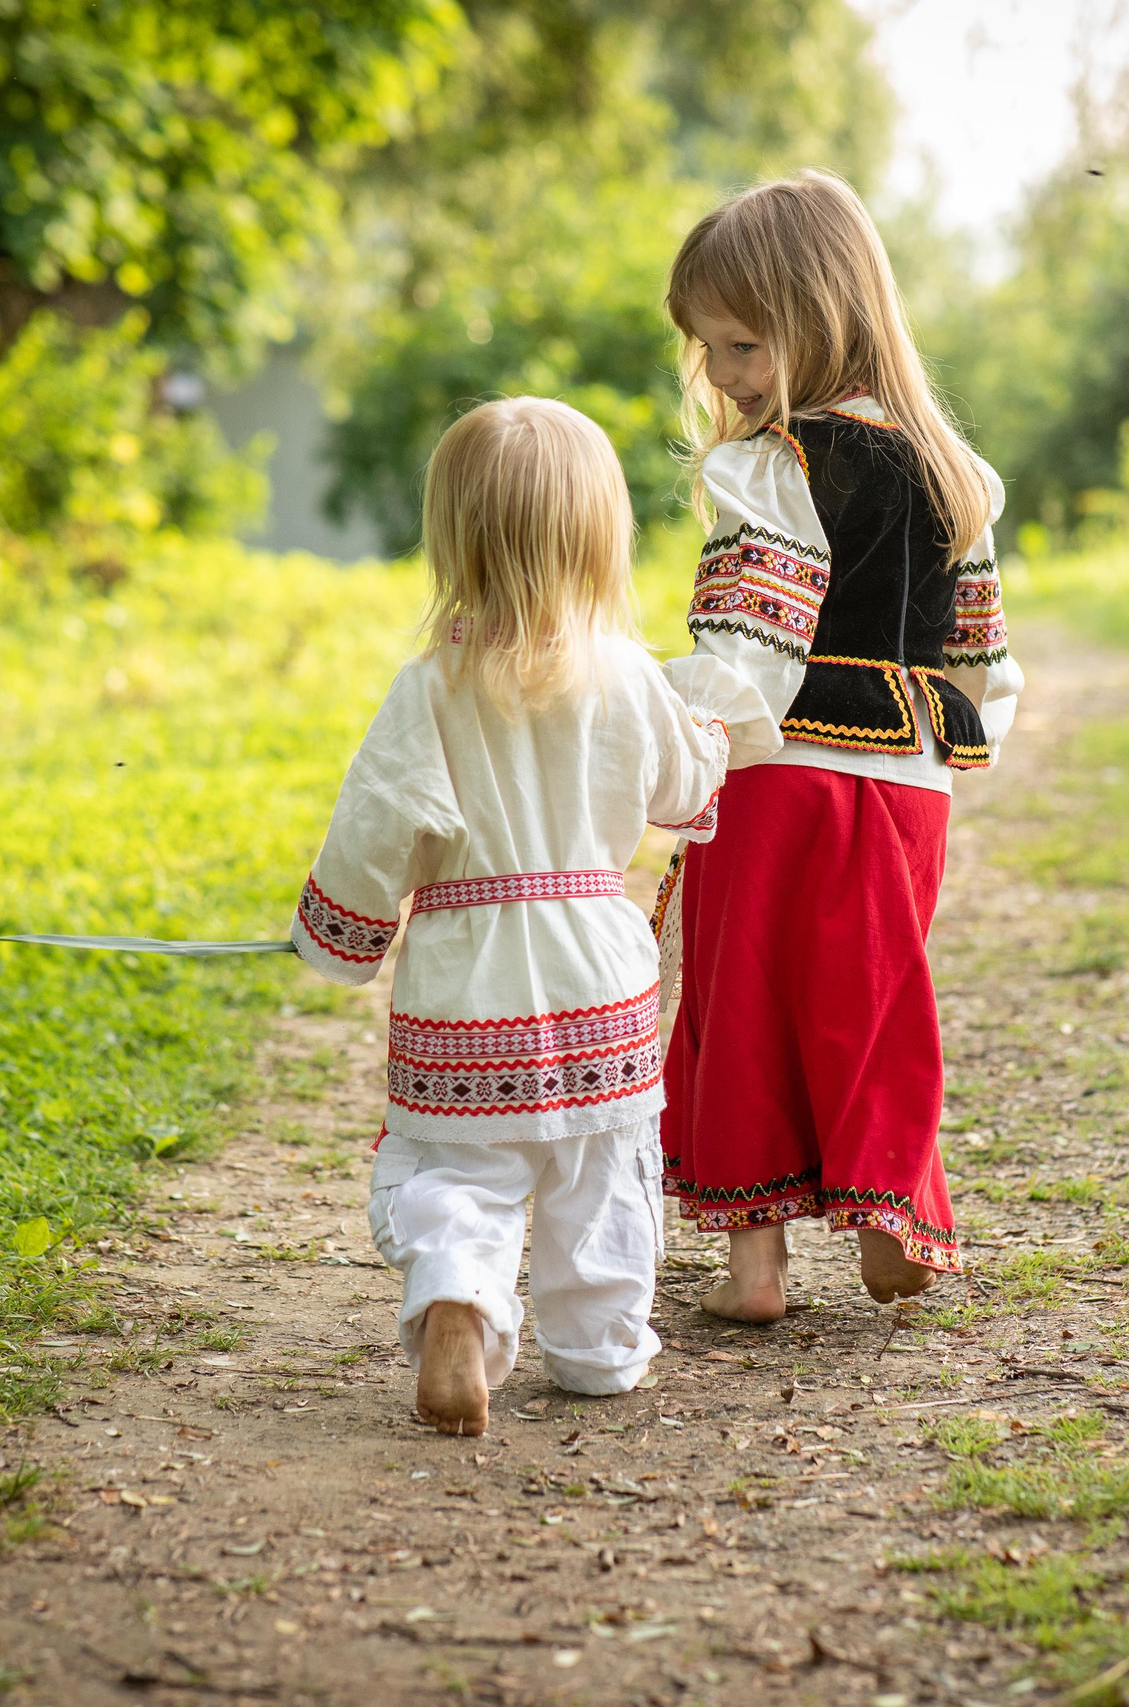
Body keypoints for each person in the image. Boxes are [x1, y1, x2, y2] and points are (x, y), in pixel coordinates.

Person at [290, 397, 767, 1435]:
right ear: (603, 538)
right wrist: (717, 724)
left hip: (469, 975)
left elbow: (376, 827)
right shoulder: (625, 676)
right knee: (600, 1170)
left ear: (452, 535)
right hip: (596, 968)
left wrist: (341, 935)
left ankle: (458, 1288)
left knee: (459, 1164)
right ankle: (598, 1352)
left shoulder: (429, 688)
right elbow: (686, 789)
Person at [655, 169, 1023, 1324]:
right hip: (911, 784)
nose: (723, 376)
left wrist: (666, 740)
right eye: (710, 349)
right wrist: (953, 753)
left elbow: (747, 658)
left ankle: (754, 1269)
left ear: (823, 318)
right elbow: (981, 661)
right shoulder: (956, 473)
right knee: (875, 999)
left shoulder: (769, 468)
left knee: (746, 1000)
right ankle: (890, 1224)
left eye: (745, 346)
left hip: (779, 779)